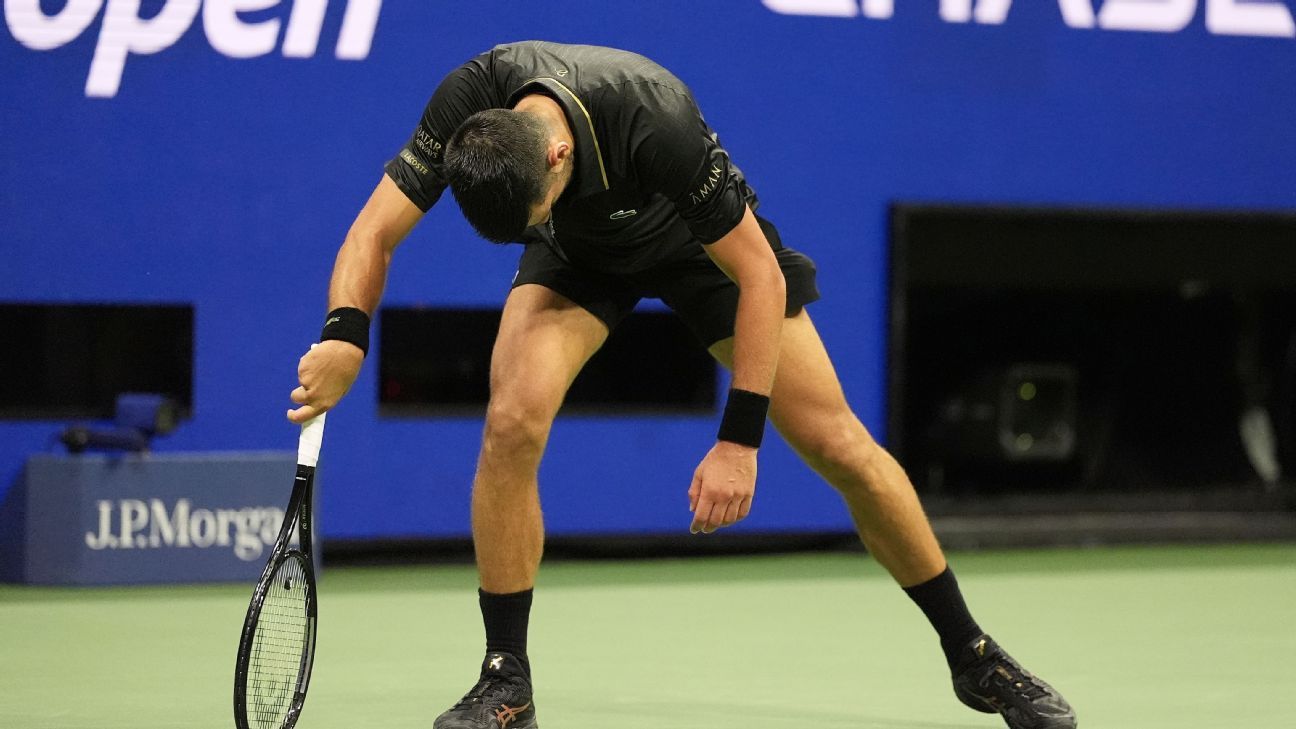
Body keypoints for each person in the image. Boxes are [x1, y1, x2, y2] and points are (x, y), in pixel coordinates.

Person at [287, 41, 1077, 729]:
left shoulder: (650, 117)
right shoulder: (471, 100)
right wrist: (346, 333)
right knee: (511, 424)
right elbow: (374, 230)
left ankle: (971, 651)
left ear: (556, 158)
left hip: (697, 252)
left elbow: (759, 277)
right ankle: (507, 678)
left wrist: (739, 439)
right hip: (578, 255)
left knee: (840, 445)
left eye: (534, 207)